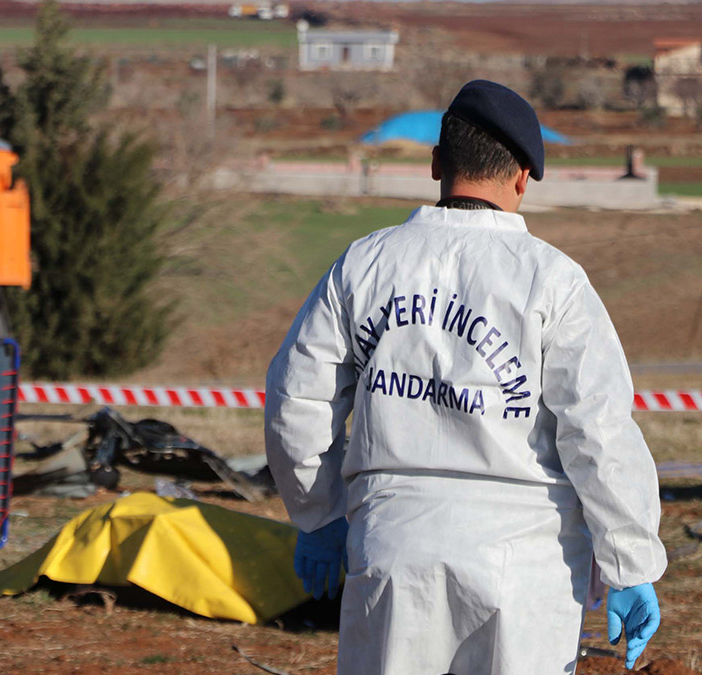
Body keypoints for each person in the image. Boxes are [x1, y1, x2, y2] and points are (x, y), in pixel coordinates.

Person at [264, 80, 665, 674]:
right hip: (525, 565)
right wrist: (629, 560)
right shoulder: (553, 282)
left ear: (435, 164)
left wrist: (317, 512)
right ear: (524, 176)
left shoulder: (364, 264)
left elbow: (296, 397)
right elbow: (598, 431)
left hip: (392, 549)